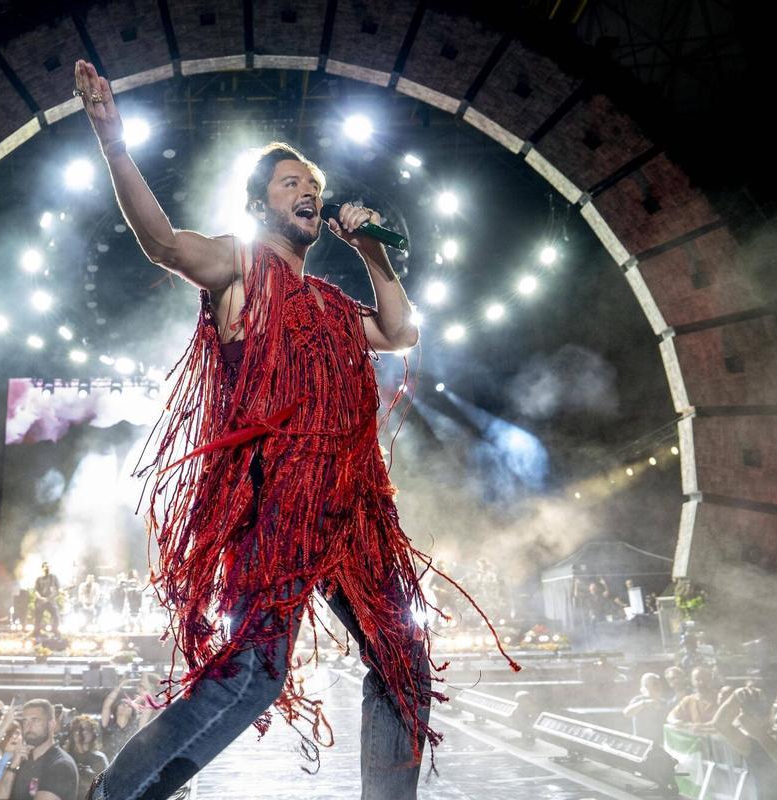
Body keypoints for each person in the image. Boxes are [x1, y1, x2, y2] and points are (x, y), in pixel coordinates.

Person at [71, 59, 514, 800]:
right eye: (290, 183)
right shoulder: (241, 267)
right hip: (277, 501)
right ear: (259, 204)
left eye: (313, 184)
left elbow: (400, 332)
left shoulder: (335, 303)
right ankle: (117, 793)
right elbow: (163, 245)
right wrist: (114, 141)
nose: (309, 191)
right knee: (253, 673)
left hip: (354, 508)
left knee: (402, 660)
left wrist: (372, 251)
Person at [0, 700, 76, 800]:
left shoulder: (60, 765)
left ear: (51, 724)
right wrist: (12, 767)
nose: (28, 726)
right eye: (25, 721)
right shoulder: (22, 760)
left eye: (35, 720)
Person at [67, 715, 108, 800]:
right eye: (78, 729)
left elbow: (106, 787)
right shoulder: (66, 758)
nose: (83, 732)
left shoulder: (99, 758)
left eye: (86, 729)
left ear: (93, 733)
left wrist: (92, 776)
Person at [623, 673, 669, 742]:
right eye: (654, 684)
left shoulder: (664, 702)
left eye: (659, 683)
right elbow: (626, 713)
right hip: (642, 743)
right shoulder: (639, 699)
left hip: (659, 742)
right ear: (646, 686)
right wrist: (643, 704)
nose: (658, 686)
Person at [33, 563, 61, 639]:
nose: (47, 568)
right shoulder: (39, 579)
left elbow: (58, 589)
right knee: (38, 617)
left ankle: (55, 630)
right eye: (46, 567)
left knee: (56, 616)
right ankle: (36, 632)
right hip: (40, 601)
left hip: (51, 601)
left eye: (49, 567)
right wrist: (40, 598)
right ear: (42, 568)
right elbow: (35, 590)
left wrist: (49, 598)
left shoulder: (54, 577)